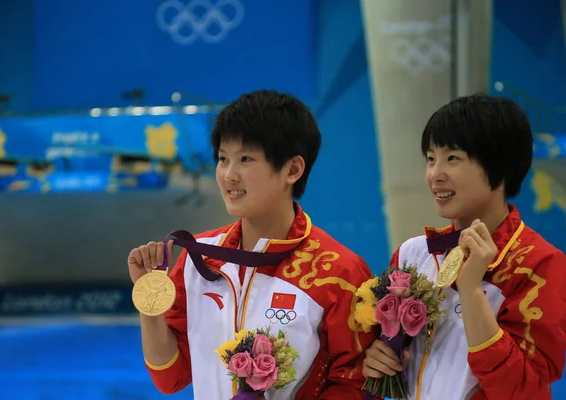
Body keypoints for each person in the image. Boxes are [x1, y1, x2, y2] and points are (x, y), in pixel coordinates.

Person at [128, 90, 376, 399]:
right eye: (222, 159)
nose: (229, 175)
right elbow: (171, 378)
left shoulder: (338, 273)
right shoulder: (197, 259)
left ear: (292, 169)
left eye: (246, 159)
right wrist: (149, 304)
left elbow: (356, 386)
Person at [361, 93, 566, 399]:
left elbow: (524, 388)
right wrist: (379, 358)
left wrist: (471, 291)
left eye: (452, 158)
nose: (435, 175)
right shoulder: (412, 253)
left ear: (501, 166)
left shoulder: (540, 264)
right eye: (431, 158)